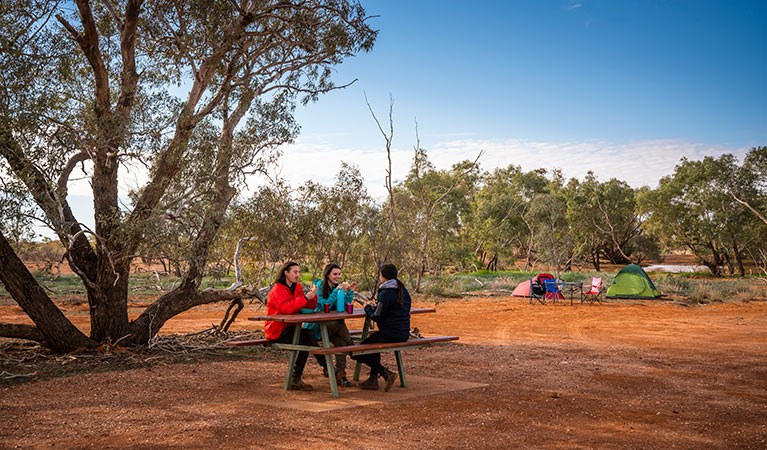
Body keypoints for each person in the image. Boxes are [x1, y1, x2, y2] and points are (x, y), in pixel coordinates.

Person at [264, 261, 327, 391]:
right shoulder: (277, 290)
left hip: (292, 328)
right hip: (277, 331)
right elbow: (286, 308)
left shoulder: (297, 287)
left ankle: (297, 377)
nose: (297, 275)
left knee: (307, 337)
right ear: (286, 273)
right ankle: (326, 367)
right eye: (295, 272)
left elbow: (306, 307)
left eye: (298, 272)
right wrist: (305, 298)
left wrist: (312, 297)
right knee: (307, 338)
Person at [352, 263, 411, 392]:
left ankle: (385, 373)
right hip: (404, 333)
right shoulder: (402, 290)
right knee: (372, 346)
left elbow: (377, 317)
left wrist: (367, 308)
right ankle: (373, 380)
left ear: (383, 276)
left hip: (390, 333)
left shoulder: (386, 293)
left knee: (357, 352)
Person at [304, 263, 357, 387]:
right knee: (340, 325)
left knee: (341, 344)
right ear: (327, 275)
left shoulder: (336, 287)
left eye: (339, 274)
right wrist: (336, 291)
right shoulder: (318, 287)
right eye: (335, 274)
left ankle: (341, 375)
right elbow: (324, 305)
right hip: (316, 328)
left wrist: (349, 292)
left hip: (330, 328)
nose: (337, 277)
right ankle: (352, 347)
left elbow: (344, 305)